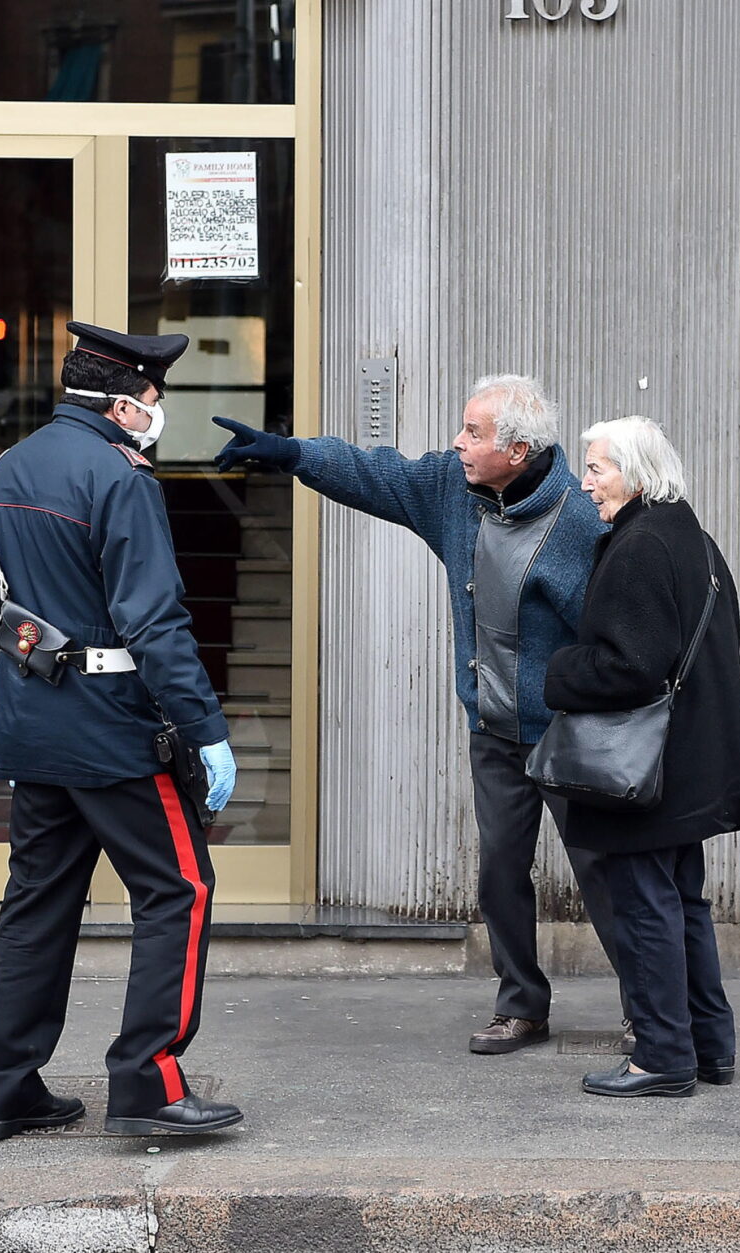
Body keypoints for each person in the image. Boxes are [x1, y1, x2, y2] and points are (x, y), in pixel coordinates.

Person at [213, 375, 628, 1056]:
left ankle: (649, 1011)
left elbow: (614, 634)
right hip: (493, 731)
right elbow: (373, 474)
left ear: (518, 449)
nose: (457, 443)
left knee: (605, 874)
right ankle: (522, 1004)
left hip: (570, 729)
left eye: (473, 432)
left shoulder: (578, 521)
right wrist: (289, 453)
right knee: (499, 871)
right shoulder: (452, 492)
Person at [0, 322, 242, 1141]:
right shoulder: (122, 479)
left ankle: (4, 1083)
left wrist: (11, 712)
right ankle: (148, 1081)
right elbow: (154, 622)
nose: (158, 412)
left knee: (38, 902)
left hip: (35, 726)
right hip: (114, 730)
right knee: (178, 890)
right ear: (124, 402)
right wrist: (205, 727)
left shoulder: (2, 471)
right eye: (155, 398)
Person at [544, 417, 740, 1098]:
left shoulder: (639, 544)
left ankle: (663, 1055)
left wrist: (559, 669)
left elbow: (630, 666)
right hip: (690, 763)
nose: (585, 484)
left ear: (636, 473)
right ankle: (708, 1046)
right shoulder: (691, 537)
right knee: (683, 906)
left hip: (647, 773)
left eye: (597, 469)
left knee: (646, 910)